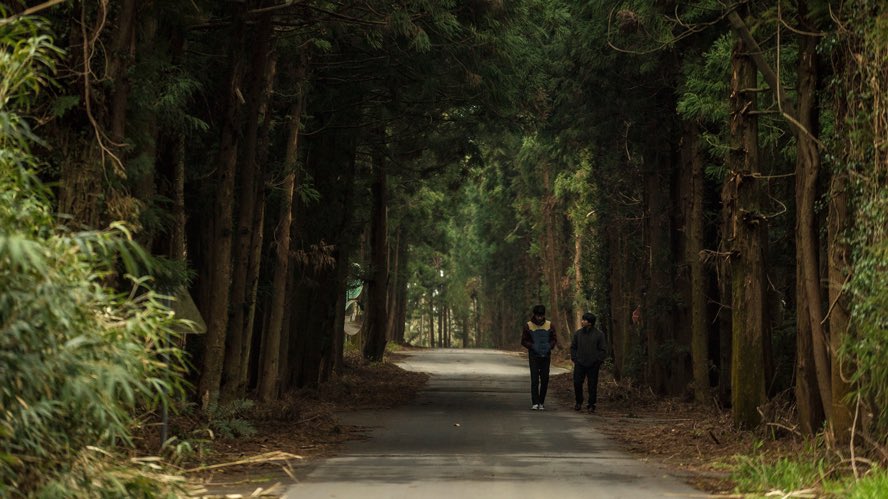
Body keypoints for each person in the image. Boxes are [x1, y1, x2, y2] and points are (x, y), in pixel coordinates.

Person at [521, 304, 557, 411]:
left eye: (541, 316)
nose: (539, 318)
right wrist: (532, 346)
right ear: (534, 315)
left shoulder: (550, 325)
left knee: (545, 379)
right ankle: (535, 402)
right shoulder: (528, 325)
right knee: (535, 379)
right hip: (534, 356)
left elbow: (554, 339)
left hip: (546, 356)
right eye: (537, 316)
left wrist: (549, 346)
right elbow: (523, 341)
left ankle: (541, 402)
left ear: (544, 315)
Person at [570, 312, 607, 413]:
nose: (582, 321)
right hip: (580, 363)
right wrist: (575, 359)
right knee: (577, 383)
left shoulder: (599, 334)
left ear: (590, 322)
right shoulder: (578, 334)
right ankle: (578, 402)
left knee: (592, 385)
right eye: (582, 319)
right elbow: (573, 347)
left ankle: (591, 404)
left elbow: (603, 350)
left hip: (593, 364)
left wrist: (598, 361)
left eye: (584, 320)